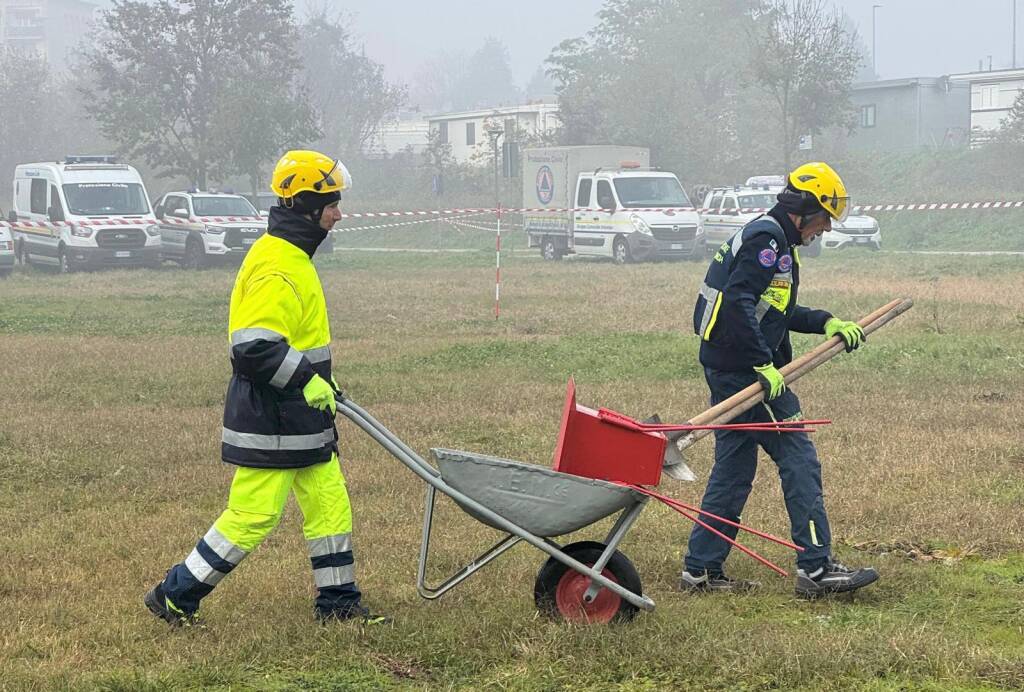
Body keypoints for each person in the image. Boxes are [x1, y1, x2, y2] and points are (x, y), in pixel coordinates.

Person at [145, 150, 389, 625]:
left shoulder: (292, 255)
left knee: (330, 508)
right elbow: (255, 349)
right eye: (331, 203)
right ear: (302, 205)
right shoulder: (277, 265)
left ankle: (338, 605)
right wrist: (307, 380)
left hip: (301, 416)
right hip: (273, 418)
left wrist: (320, 379)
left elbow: (293, 340)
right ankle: (174, 594)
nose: (339, 212)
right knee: (252, 516)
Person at [682, 162, 879, 599]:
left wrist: (827, 322)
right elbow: (738, 301)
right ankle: (817, 567)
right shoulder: (768, 240)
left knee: (734, 469)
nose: (825, 229)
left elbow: (773, 310)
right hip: (746, 372)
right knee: (799, 457)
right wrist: (762, 364)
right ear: (806, 209)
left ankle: (701, 570)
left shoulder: (772, 236)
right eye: (824, 217)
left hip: (728, 363)